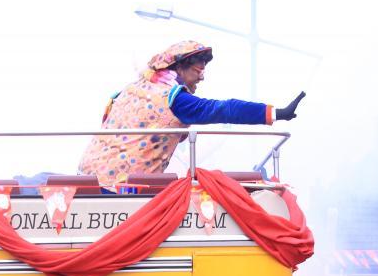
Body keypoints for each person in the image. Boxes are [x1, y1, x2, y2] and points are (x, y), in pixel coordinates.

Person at [77, 41, 305, 187]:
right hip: (122, 188)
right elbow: (224, 109)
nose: (202, 77)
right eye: (199, 69)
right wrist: (275, 113)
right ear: (180, 67)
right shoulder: (175, 99)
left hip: (85, 180)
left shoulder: (126, 91)